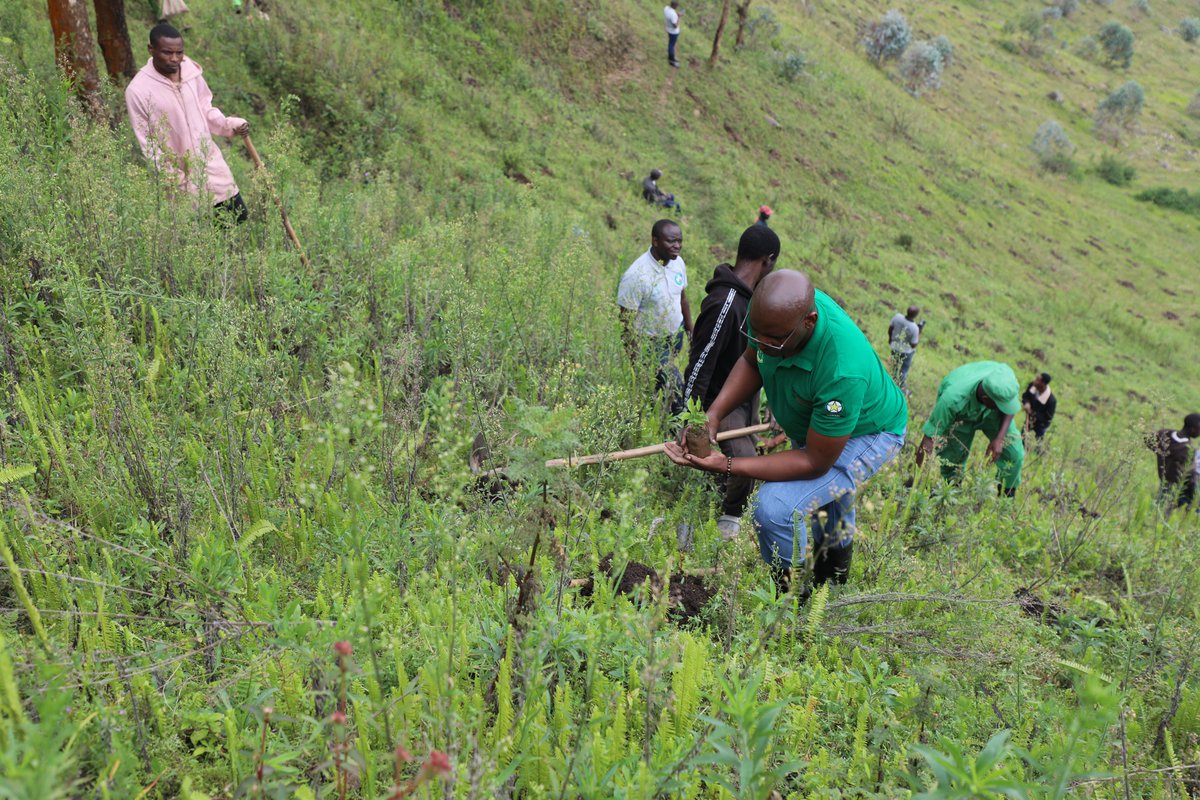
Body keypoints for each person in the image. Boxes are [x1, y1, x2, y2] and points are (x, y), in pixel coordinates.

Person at [665, 270, 908, 591]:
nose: (762, 344)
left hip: (869, 432)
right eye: (756, 334)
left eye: (773, 340)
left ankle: (794, 598)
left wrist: (727, 464)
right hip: (819, 427)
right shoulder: (773, 316)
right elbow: (752, 360)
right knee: (829, 503)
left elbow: (814, 462)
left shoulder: (842, 370)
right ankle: (830, 584)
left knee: (775, 507)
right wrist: (714, 414)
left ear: (809, 321)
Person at [682, 225, 780, 540]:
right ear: (768, 260)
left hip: (746, 397)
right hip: (720, 400)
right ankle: (727, 520)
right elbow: (700, 362)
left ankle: (727, 502)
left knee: (748, 453)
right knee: (743, 459)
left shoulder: (756, 302)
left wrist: (775, 402)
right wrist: (691, 416)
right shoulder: (725, 303)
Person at [125, 23, 250, 223]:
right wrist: (175, 179)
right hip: (181, 179)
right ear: (151, 49)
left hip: (211, 164)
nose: (175, 59)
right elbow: (149, 145)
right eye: (167, 53)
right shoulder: (138, 90)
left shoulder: (190, 71)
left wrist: (229, 124)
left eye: (179, 52)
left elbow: (205, 108)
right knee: (198, 231)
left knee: (237, 218)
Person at [916, 361, 1024, 497]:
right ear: (986, 399)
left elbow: (1009, 408)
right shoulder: (951, 400)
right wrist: (916, 478)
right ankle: (951, 491)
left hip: (992, 413)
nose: (1006, 408)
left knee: (1014, 452)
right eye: (1002, 405)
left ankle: (1007, 496)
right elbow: (929, 439)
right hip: (960, 417)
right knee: (954, 458)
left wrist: (1000, 438)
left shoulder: (1005, 381)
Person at [618, 220, 693, 415]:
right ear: (655, 241)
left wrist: (690, 331)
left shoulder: (678, 263)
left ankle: (659, 407)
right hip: (651, 342)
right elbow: (626, 323)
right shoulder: (637, 275)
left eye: (679, 241)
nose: (677, 246)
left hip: (675, 334)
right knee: (674, 384)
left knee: (662, 381)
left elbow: (682, 299)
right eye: (671, 241)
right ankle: (675, 423)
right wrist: (635, 362)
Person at [1146, 413, 1200, 514]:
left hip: (1165, 481)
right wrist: (1194, 496)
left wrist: (1161, 454)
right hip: (1176, 486)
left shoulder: (1165, 433)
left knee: (1157, 509)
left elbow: (1148, 440)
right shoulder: (1187, 450)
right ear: (1193, 429)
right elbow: (1190, 476)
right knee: (1162, 512)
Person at [887, 305, 923, 393]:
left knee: (894, 367)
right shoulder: (915, 328)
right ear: (916, 315)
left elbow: (890, 329)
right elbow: (913, 345)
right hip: (906, 352)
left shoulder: (897, 317)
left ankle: (890, 385)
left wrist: (890, 340)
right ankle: (901, 390)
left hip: (894, 346)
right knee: (903, 371)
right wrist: (919, 332)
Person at [1021, 372, 1057, 440]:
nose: (1034, 381)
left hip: (1041, 424)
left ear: (1043, 383)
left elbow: (1048, 417)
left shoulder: (1051, 400)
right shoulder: (1032, 386)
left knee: (1038, 442)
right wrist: (1026, 403)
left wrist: (1032, 412)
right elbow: (1025, 396)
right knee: (1022, 437)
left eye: (1037, 380)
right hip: (1030, 419)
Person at [664, 1, 681, 67]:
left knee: (671, 44)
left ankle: (672, 57)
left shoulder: (666, 8)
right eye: (677, 6)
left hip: (668, 29)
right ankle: (671, 61)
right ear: (674, 6)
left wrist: (676, 14)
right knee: (671, 45)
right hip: (673, 32)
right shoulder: (673, 14)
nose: (677, 7)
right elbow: (675, 26)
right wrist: (679, 17)